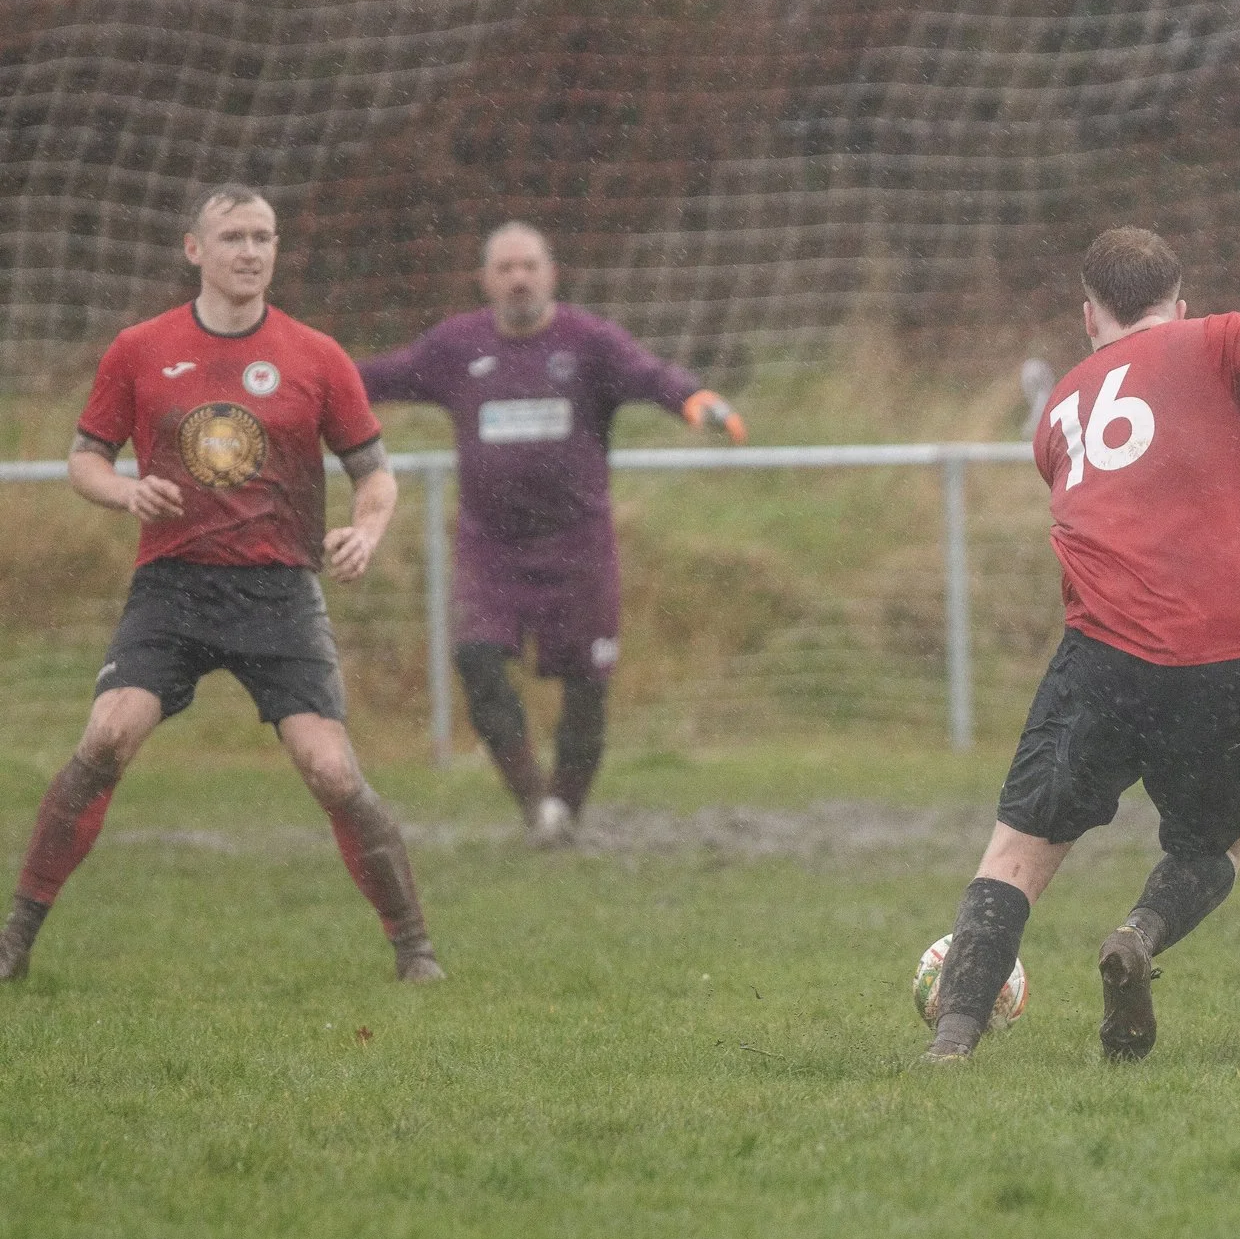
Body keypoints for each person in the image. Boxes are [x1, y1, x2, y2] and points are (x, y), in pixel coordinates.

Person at [924, 227, 1240, 1064]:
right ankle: (1137, 933)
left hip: (1106, 655)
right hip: (1229, 656)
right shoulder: (1221, 338)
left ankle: (954, 1040)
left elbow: (1169, 524)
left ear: (1089, 318)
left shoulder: (1056, 415)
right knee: (1215, 847)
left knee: (1019, 850)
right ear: (1181, 301)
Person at [0, 184, 441, 985]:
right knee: (105, 737)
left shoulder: (317, 355)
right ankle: (15, 939)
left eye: (263, 237)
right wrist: (126, 491)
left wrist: (365, 531)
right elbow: (83, 460)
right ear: (194, 249)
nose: (250, 251)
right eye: (233, 236)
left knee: (333, 772)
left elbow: (375, 477)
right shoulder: (139, 348)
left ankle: (415, 950)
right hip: (172, 587)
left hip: (279, 592)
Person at [358, 222, 745, 844]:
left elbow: (650, 374)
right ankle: (535, 804)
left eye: (529, 266)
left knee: (586, 685)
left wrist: (697, 400)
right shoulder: (457, 346)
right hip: (491, 547)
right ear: (484, 281)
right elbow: (381, 377)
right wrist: (307, 388)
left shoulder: (587, 342)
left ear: (551, 274)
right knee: (477, 660)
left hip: (579, 547)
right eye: (505, 268)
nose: (519, 278)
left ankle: (565, 812)